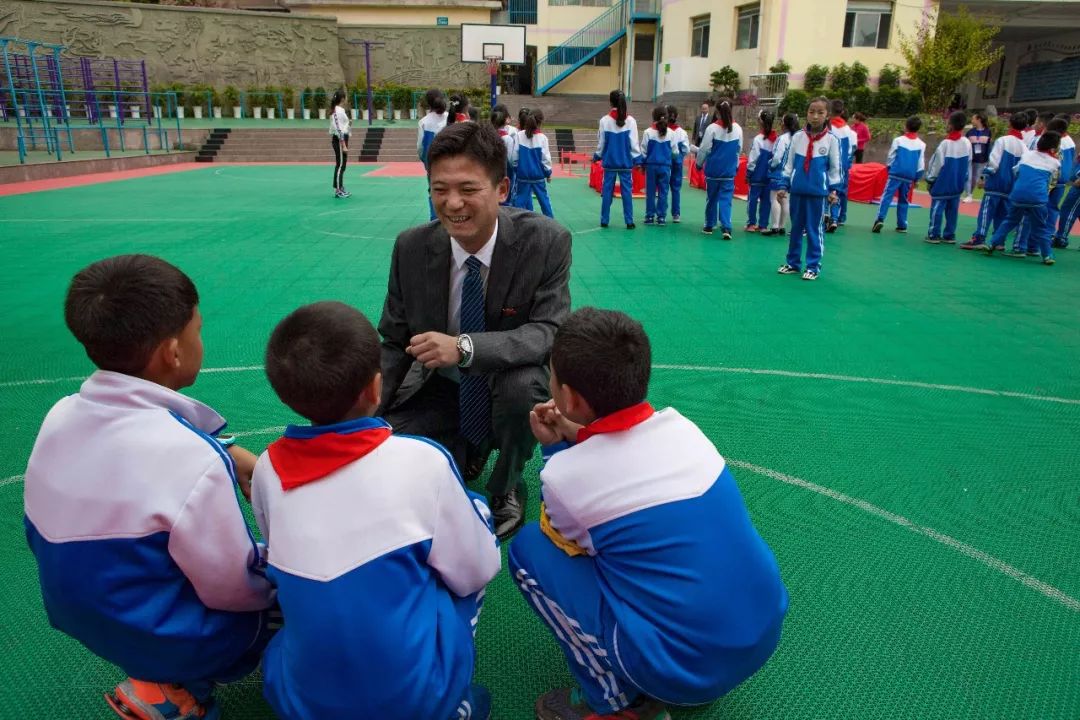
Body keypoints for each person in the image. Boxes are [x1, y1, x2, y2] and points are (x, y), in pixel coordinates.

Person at [24, 254, 276, 720]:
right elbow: (233, 587)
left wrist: (223, 449)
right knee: (289, 588)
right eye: (197, 332)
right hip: (163, 629)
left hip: (79, 613)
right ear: (173, 352)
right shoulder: (190, 459)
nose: (201, 341)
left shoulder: (59, 414)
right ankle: (180, 689)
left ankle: (156, 673)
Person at [511, 307, 788, 720]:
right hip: (761, 638)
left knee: (529, 549)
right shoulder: (683, 428)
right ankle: (689, 665)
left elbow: (566, 541)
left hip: (681, 671)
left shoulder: (567, 477)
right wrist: (582, 437)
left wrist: (556, 451)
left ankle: (614, 705)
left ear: (568, 398)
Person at [253, 301, 501, 720]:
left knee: (287, 630)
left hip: (302, 703)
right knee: (476, 516)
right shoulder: (423, 462)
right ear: (375, 388)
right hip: (416, 699)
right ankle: (454, 705)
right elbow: (477, 570)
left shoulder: (266, 469)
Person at [378, 121, 572, 540]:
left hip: (508, 381)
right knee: (389, 447)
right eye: (439, 189)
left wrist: (465, 348)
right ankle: (467, 445)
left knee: (523, 390)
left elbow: (547, 331)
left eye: (468, 189)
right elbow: (393, 340)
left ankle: (506, 483)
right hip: (438, 384)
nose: (452, 203)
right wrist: (367, 416)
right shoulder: (411, 247)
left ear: (502, 189)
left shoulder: (546, 241)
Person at [776, 96, 842, 281]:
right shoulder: (797, 137)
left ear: (827, 115)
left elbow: (836, 167)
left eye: (820, 113)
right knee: (795, 228)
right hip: (797, 191)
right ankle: (793, 263)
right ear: (806, 113)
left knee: (814, 229)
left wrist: (833, 190)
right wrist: (784, 185)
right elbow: (788, 164)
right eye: (811, 112)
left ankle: (813, 266)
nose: (815, 116)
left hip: (817, 194)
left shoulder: (831, 140)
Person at [975, 131, 1061, 264]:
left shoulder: (1027, 155)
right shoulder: (1055, 162)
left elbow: (1016, 171)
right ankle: (1047, 255)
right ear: (1054, 148)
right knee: (1040, 227)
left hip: (1018, 195)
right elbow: (1052, 181)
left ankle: (992, 244)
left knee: (1009, 221)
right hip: (1037, 199)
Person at [960, 113, 1027, 251]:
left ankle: (979, 238)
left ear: (1010, 124)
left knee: (986, 212)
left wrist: (983, 177)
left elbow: (994, 162)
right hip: (1011, 186)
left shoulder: (1002, 140)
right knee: (1003, 214)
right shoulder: (1024, 146)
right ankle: (999, 241)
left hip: (996, 184)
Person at [695, 98, 742, 239]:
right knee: (726, 200)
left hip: (714, 171)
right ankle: (726, 227)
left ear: (717, 111)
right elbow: (738, 150)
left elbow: (704, 149)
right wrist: (736, 166)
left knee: (712, 198)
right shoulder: (738, 129)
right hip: (728, 171)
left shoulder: (712, 129)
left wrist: (698, 163)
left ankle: (709, 225)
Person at [595, 89, 642, 229]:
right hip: (625, 163)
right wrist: (638, 160)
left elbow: (601, 142)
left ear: (610, 102)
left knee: (607, 191)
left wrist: (597, 156)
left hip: (609, 162)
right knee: (627, 192)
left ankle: (604, 220)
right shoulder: (631, 121)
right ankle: (629, 221)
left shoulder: (604, 121)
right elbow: (634, 143)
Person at [924, 111, 972, 244]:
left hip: (943, 182)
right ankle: (949, 234)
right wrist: (964, 178)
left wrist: (931, 179)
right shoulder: (967, 143)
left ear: (950, 125)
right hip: (957, 182)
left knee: (937, 208)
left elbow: (937, 164)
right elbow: (969, 162)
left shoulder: (945, 143)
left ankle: (934, 234)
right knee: (953, 210)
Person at [872, 116, 926, 235]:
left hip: (896, 174)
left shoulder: (898, 140)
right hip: (909, 177)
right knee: (904, 200)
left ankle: (880, 219)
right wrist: (917, 177)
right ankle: (902, 225)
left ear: (906, 126)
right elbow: (921, 164)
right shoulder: (921, 144)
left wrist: (890, 168)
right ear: (918, 129)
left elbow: (891, 156)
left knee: (887, 196)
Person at [511, 108, 554, 218]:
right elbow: (545, 159)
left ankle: (515, 223)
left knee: (519, 202)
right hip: (538, 177)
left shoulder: (519, 135)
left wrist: (517, 169)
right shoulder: (543, 138)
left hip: (523, 176)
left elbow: (514, 157)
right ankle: (551, 223)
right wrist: (548, 173)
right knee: (544, 202)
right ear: (540, 122)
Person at [763, 112, 798, 236]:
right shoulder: (797, 137)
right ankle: (782, 226)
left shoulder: (782, 138)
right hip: (791, 173)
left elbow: (777, 157)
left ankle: (775, 226)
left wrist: (771, 165)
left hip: (779, 172)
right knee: (785, 200)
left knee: (774, 199)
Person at [826, 99, 857, 231]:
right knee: (839, 192)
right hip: (843, 166)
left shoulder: (827, 127)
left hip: (827, 164)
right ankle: (836, 218)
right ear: (842, 112)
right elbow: (852, 150)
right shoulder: (849, 131)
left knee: (825, 189)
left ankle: (824, 214)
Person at [641, 105, 675, 225]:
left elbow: (643, 151)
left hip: (651, 166)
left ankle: (649, 216)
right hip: (665, 166)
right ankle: (661, 217)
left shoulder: (648, 132)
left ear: (653, 117)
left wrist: (642, 164)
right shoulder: (671, 133)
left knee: (650, 192)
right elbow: (675, 151)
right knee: (663, 192)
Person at [745, 109, 777, 232]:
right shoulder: (776, 139)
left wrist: (749, 173)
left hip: (757, 175)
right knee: (766, 201)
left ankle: (751, 224)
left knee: (753, 199)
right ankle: (763, 225)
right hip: (770, 175)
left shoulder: (758, 139)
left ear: (760, 121)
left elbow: (753, 158)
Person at [419, 89, 448, 220]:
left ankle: (435, 220)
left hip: (433, 165)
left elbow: (420, 147)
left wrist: (424, 160)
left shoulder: (424, 122)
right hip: (451, 162)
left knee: (434, 190)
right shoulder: (450, 118)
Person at [665, 104, 690, 223]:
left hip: (664, 162)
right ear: (677, 116)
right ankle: (676, 214)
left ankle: (661, 214)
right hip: (677, 163)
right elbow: (686, 149)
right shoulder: (682, 132)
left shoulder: (662, 130)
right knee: (675, 189)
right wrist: (680, 156)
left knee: (663, 188)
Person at [491, 108, 517, 207]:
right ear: (504, 122)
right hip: (506, 171)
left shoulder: (489, 136)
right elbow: (511, 158)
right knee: (506, 195)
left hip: (491, 169)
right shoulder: (508, 138)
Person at [963, 112, 991, 203]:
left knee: (977, 177)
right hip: (971, 158)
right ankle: (968, 194)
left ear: (979, 120)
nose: (972, 120)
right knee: (969, 177)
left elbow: (989, 146)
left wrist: (988, 159)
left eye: (973, 118)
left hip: (982, 159)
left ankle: (979, 194)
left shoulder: (988, 132)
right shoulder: (970, 132)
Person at [330, 88, 351, 198]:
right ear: (342, 99)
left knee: (342, 165)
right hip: (339, 140)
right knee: (340, 165)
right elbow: (338, 129)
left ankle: (340, 187)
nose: (347, 98)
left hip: (342, 138)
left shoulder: (340, 110)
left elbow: (343, 126)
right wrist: (343, 145)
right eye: (346, 96)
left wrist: (348, 124)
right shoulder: (337, 111)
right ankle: (338, 190)